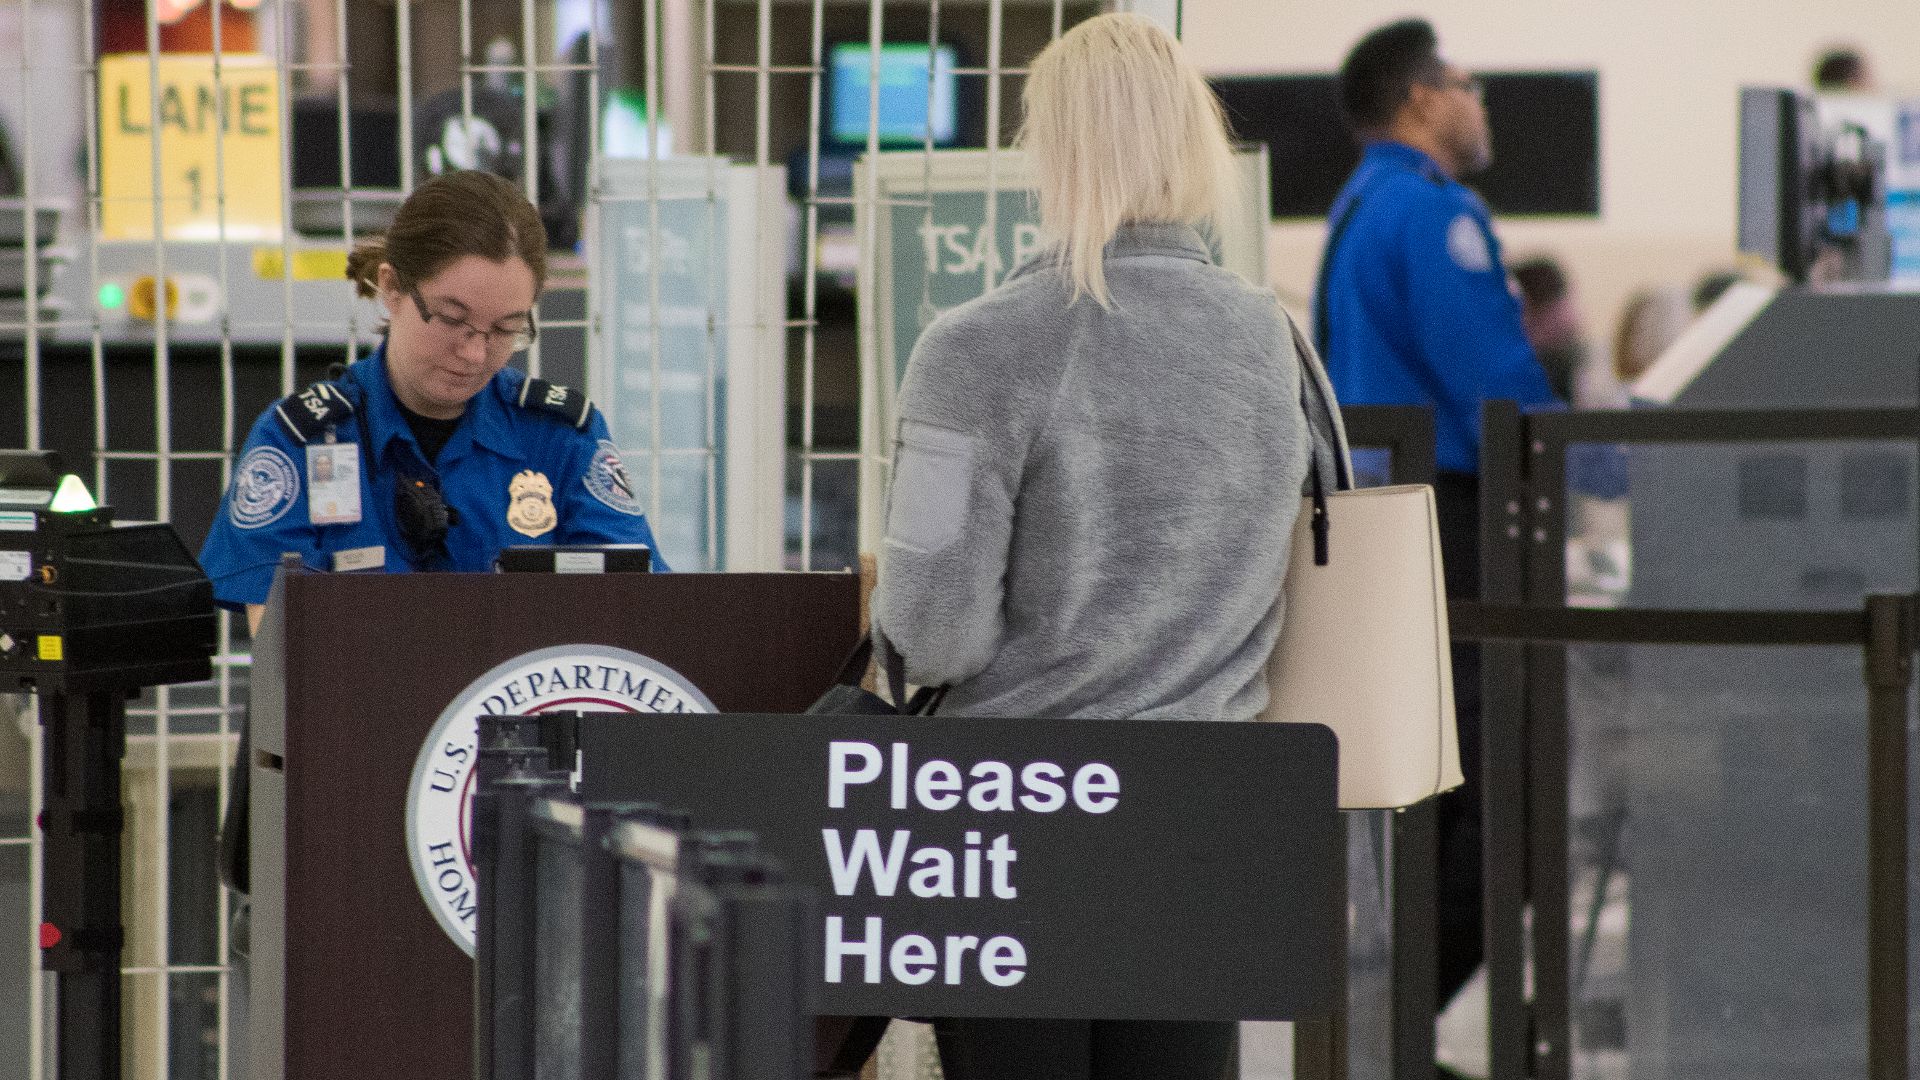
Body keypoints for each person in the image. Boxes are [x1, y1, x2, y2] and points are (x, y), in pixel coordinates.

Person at [871, 13, 1331, 1079]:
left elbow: (931, 632)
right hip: (1207, 822)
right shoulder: (1272, 339)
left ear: (1055, 149)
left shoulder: (976, 347)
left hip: (1018, 828)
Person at [1316, 20, 1561, 1071]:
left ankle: (1396, 1031)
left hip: (1387, 523)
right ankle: (1399, 1032)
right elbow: (1497, 382)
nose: (1482, 104)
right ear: (1423, 97)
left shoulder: (1356, 208)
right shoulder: (1433, 214)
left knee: (1439, 793)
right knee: (1505, 804)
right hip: (1454, 525)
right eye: (1471, 85)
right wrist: (1611, 468)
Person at [199, 169, 666, 635]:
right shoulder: (300, 442)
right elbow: (285, 658)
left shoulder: (560, 438)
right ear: (392, 289)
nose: (475, 352)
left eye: (506, 329)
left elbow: (636, 614)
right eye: (450, 319)